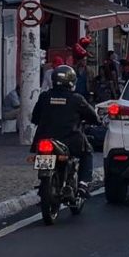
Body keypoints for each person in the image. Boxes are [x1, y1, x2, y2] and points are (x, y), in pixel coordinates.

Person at [31, 65, 101, 199]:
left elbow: (34, 118)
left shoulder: (44, 97)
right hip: (70, 140)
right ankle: (83, 185)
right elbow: (93, 117)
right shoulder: (77, 99)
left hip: (44, 140)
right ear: (72, 81)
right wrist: (97, 121)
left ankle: (46, 185)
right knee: (87, 153)